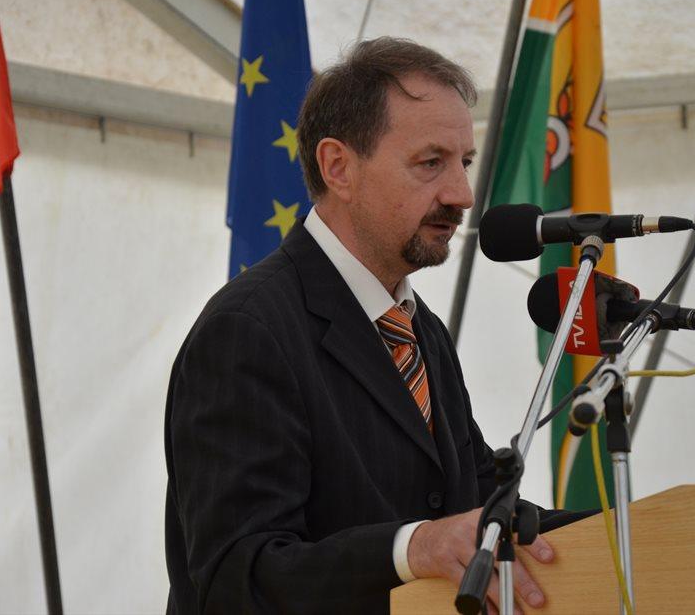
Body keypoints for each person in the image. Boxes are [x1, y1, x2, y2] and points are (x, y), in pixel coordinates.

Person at [165, 37, 589, 615]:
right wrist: (412, 549)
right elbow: (237, 579)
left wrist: (647, 527)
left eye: (464, 163)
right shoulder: (247, 331)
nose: (462, 195)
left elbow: (478, 504)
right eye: (430, 163)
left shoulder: (418, 328)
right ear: (338, 167)